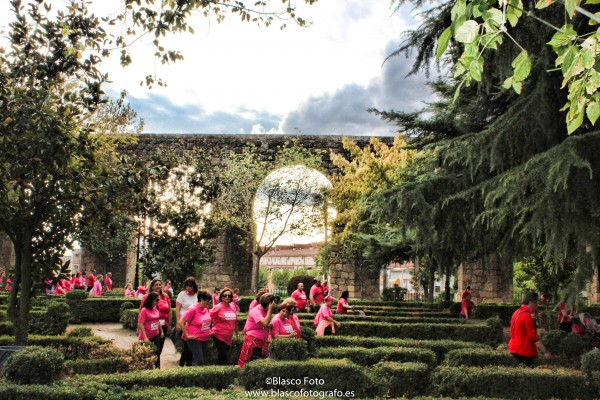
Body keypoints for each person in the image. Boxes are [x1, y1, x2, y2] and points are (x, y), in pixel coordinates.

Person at [508, 292, 551, 368]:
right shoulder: (527, 315)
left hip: (514, 348)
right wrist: (545, 351)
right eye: (535, 303)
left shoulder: (516, 312)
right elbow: (533, 337)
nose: (536, 305)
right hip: (523, 350)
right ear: (530, 302)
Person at [238, 293, 277, 368]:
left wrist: (269, 326)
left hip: (262, 340)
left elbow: (265, 324)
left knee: (260, 362)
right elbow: (264, 323)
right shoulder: (255, 311)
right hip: (253, 340)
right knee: (253, 363)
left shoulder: (266, 310)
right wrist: (270, 310)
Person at [140, 279, 172, 368]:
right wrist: (138, 327)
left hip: (162, 324)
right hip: (150, 325)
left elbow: (169, 311)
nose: (158, 286)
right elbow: (141, 313)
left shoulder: (165, 296)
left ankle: (155, 364)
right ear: (152, 286)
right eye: (156, 284)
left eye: (160, 284)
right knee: (149, 348)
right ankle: (150, 364)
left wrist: (169, 324)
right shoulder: (147, 297)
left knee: (159, 348)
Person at [179, 289, 212, 366]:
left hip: (204, 338)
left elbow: (206, 321)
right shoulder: (193, 309)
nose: (209, 303)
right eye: (207, 301)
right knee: (199, 361)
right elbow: (181, 322)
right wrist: (187, 335)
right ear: (201, 300)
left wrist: (209, 331)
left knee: (202, 359)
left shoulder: (206, 308)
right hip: (195, 338)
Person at [210, 287, 240, 365]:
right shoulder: (217, 307)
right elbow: (207, 318)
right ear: (221, 297)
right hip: (218, 335)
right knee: (224, 356)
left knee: (222, 357)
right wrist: (209, 330)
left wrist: (237, 335)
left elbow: (235, 322)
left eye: (229, 296)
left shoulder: (233, 307)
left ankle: (218, 374)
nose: (227, 297)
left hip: (228, 337)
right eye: (224, 295)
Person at [176, 276, 199, 367]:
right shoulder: (182, 294)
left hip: (194, 324)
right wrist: (178, 322)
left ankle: (183, 364)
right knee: (188, 344)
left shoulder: (197, 295)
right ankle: (186, 364)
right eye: (187, 285)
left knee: (189, 345)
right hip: (183, 323)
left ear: (194, 286)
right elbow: (177, 309)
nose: (188, 287)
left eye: (190, 286)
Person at [138, 292, 164, 368]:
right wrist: (145, 337)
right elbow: (141, 324)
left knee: (157, 352)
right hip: (146, 336)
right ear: (151, 300)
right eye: (157, 300)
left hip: (155, 334)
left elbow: (157, 320)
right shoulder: (144, 310)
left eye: (158, 300)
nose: (158, 301)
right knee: (145, 354)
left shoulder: (156, 307)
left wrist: (161, 330)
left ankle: (157, 369)